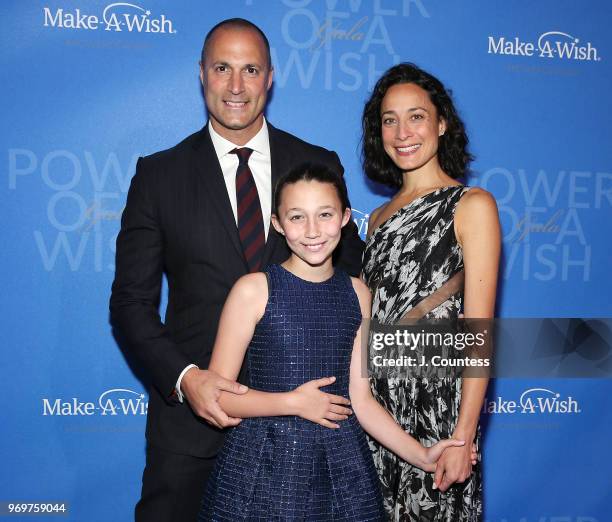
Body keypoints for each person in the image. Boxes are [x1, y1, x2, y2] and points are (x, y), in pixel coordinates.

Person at [109, 18, 364, 522]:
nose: (236, 85)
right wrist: (186, 379)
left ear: (270, 77)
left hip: (304, 431)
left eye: (250, 69)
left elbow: (353, 283)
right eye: (222, 68)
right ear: (201, 74)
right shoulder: (159, 175)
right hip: (193, 425)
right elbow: (130, 304)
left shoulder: (317, 163)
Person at [199, 164, 474, 520]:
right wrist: (293, 403)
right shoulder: (253, 290)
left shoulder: (358, 294)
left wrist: (421, 455)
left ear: (345, 217)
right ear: (277, 223)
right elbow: (220, 396)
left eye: (325, 215)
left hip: (341, 466)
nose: (312, 231)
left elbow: (361, 399)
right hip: (262, 467)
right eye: (297, 217)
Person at [361, 63, 500, 521]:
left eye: (416, 116)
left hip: (439, 414)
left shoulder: (471, 206)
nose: (402, 132)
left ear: (441, 123)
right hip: (378, 416)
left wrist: (464, 437)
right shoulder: (376, 221)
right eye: (389, 119)